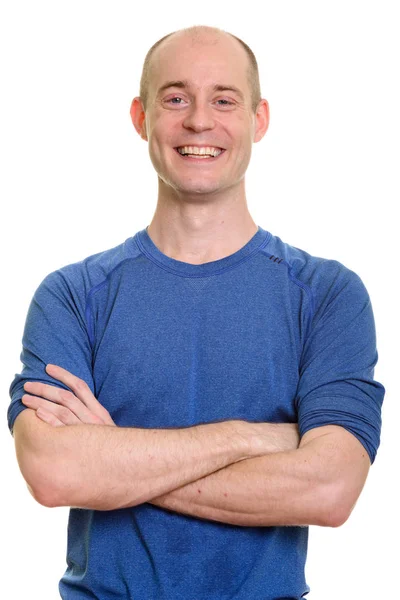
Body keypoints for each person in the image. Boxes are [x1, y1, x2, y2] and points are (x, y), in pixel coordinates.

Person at [8, 25, 384, 600]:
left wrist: (114, 459)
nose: (200, 122)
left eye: (224, 100)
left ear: (259, 120)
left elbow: (330, 490)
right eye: (176, 98)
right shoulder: (73, 295)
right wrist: (253, 438)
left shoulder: (327, 295)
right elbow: (55, 473)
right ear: (141, 117)